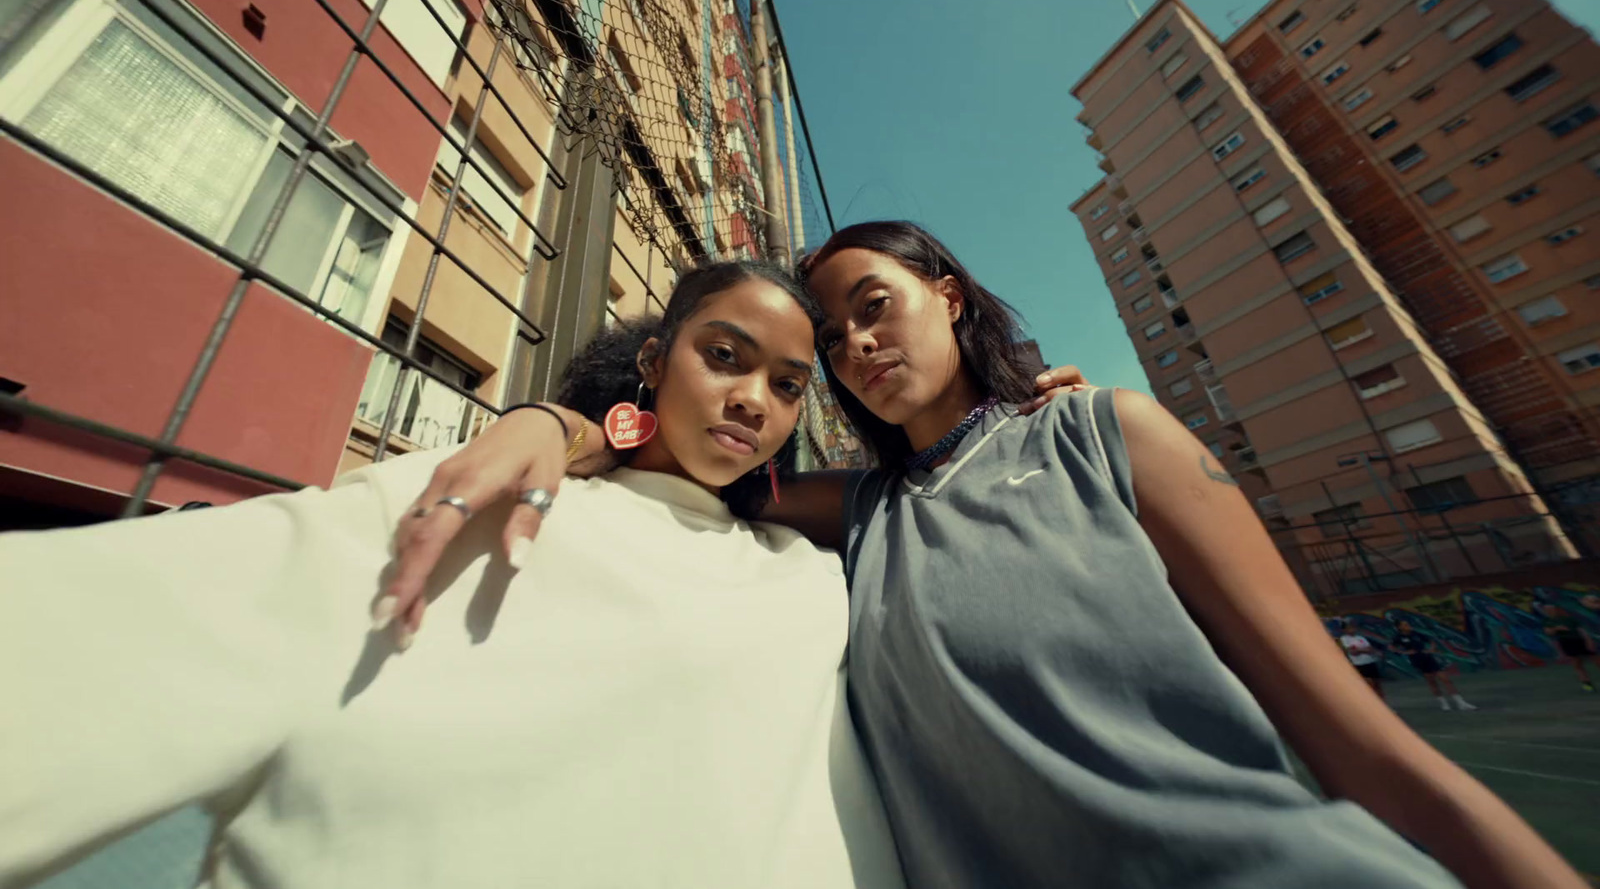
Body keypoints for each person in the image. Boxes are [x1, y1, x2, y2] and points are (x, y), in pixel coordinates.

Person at [379, 222, 1585, 889]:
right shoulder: (851, 510)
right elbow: (681, 444)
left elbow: (1364, 747)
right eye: (824, 346)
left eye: (871, 304)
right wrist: (548, 420)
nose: (851, 345)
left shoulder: (1111, 432)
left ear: (947, 295)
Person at [0, 262, 904, 889]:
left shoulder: (810, 576)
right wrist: (560, 427)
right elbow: (81, 650)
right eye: (724, 355)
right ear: (653, 360)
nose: (755, 398)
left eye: (789, 385)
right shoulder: (460, 505)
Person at [1391, 620, 1475, 711]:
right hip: (1418, 660)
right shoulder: (1398, 637)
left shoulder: (1416, 634)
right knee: (1432, 682)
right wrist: (1404, 652)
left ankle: (1461, 703)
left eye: (1408, 624)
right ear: (1400, 627)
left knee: (1446, 679)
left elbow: (1431, 641)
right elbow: (1391, 647)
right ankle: (1444, 703)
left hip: (1428, 658)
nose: (1408, 625)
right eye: (1405, 625)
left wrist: (1431, 649)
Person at [1540, 602, 1596, 692]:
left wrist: (1588, 640)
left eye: (1551, 609)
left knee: (1596, 659)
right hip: (1567, 642)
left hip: (1579, 640)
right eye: (1547, 610)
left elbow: (1582, 630)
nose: (1549, 611)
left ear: (1556, 610)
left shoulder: (1568, 619)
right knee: (1577, 663)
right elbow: (1548, 632)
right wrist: (1556, 628)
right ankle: (1586, 683)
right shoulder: (1547, 621)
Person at [1340, 619, 1386, 699]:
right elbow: (1353, 652)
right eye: (1349, 627)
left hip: (1370, 662)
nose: (1352, 629)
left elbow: (1370, 648)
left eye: (1353, 627)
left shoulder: (1361, 638)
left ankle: (1383, 704)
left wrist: (1361, 650)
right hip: (1360, 664)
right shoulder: (1344, 639)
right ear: (1344, 630)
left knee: (1377, 684)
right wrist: (1364, 650)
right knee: (1369, 685)